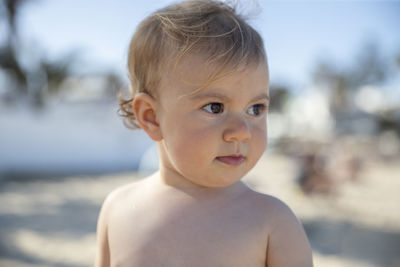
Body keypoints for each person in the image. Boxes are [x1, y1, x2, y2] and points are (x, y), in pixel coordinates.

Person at [95, 0, 313, 266]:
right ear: (152, 117)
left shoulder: (271, 222)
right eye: (215, 107)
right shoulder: (118, 209)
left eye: (256, 109)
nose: (241, 132)